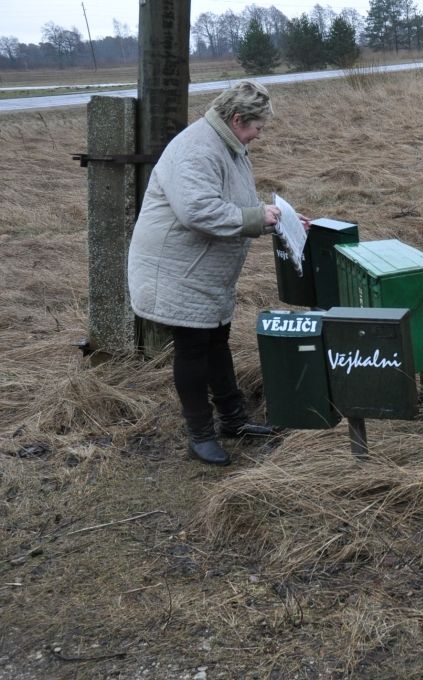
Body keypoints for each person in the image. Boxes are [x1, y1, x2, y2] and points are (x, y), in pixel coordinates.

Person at [128, 80, 305, 466]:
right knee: (193, 351)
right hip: (178, 272)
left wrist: (278, 218)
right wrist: (259, 217)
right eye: (257, 127)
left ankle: (234, 421)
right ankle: (199, 436)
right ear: (238, 118)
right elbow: (198, 210)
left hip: (205, 271)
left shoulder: (229, 145)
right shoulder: (196, 149)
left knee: (216, 343)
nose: (260, 135)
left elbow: (232, 201)